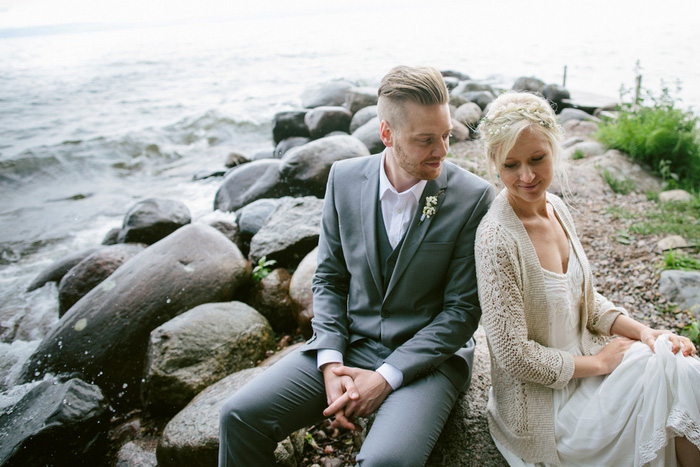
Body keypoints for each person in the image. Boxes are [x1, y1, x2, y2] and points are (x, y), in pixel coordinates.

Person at [218, 65, 495, 466]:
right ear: (386, 134)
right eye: (425, 140)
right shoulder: (343, 179)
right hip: (352, 342)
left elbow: (461, 312)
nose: (442, 150)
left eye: (446, 135)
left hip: (427, 361)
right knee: (239, 416)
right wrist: (330, 360)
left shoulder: (473, 198)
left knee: (385, 463)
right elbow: (329, 280)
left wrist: (385, 377)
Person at [475, 90, 700, 467]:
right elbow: (513, 355)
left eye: (537, 159)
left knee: (679, 366)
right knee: (668, 393)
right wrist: (600, 365)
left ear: (554, 149)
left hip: (591, 363)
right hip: (547, 408)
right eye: (511, 165)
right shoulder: (496, 238)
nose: (527, 176)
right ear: (494, 163)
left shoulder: (557, 208)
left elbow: (588, 301)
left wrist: (644, 332)